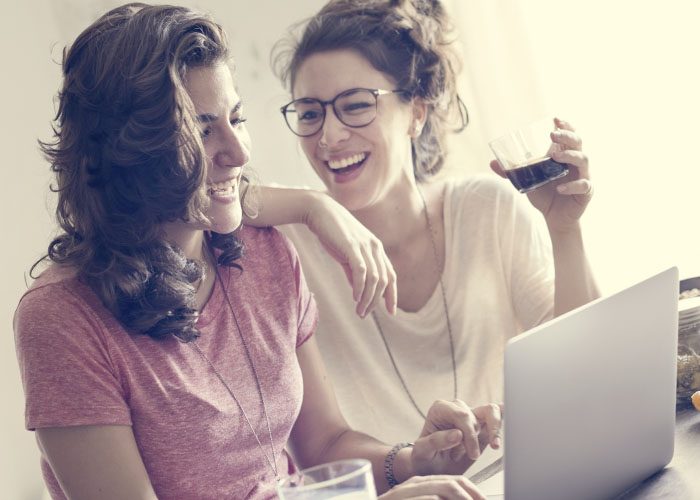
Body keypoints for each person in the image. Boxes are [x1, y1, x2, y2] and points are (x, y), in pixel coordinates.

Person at [13, 3, 502, 499]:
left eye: (237, 117)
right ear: (129, 151)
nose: (239, 152)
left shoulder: (263, 253)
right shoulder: (62, 319)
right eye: (203, 131)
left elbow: (325, 445)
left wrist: (412, 461)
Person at [254, 0, 601, 445]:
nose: (329, 135)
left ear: (416, 113)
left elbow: (583, 367)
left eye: (356, 105)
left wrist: (565, 230)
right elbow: (191, 198)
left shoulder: (485, 208)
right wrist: (313, 206)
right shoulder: (288, 242)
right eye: (309, 113)